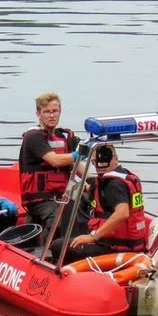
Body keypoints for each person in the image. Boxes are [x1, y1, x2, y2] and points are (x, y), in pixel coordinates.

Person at [18, 92, 91, 239]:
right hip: (41, 199)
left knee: (91, 201)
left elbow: (76, 166)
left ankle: (85, 242)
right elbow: (55, 161)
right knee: (58, 220)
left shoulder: (63, 137)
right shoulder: (33, 137)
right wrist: (78, 154)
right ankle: (43, 249)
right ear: (38, 114)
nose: (52, 115)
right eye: (47, 112)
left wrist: (92, 182)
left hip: (63, 194)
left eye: (55, 111)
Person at [63, 144, 153, 262]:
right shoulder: (125, 176)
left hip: (112, 247)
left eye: (103, 160)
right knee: (74, 200)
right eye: (95, 162)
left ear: (115, 158)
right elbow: (95, 185)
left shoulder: (114, 185)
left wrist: (92, 237)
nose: (99, 165)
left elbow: (123, 213)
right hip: (133, 243)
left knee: (58, 246)